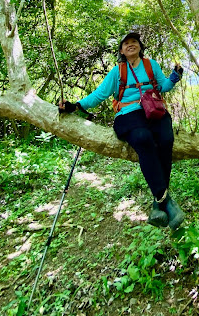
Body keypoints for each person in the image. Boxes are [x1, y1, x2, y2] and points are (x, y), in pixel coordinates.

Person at [59, 32, 184, 230]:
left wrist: (175, 76)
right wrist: (75, 105)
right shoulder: (117, 72)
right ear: (121, 51)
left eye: (134, 42)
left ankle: (158, 203)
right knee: (143, 138)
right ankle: (167, 202)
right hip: (128, 115)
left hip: (154, 111)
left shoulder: (152, 65)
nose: (131, 45)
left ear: (140, 47)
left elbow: (164, 86)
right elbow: (99, 94)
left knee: (166, 140)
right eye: (126, 43)